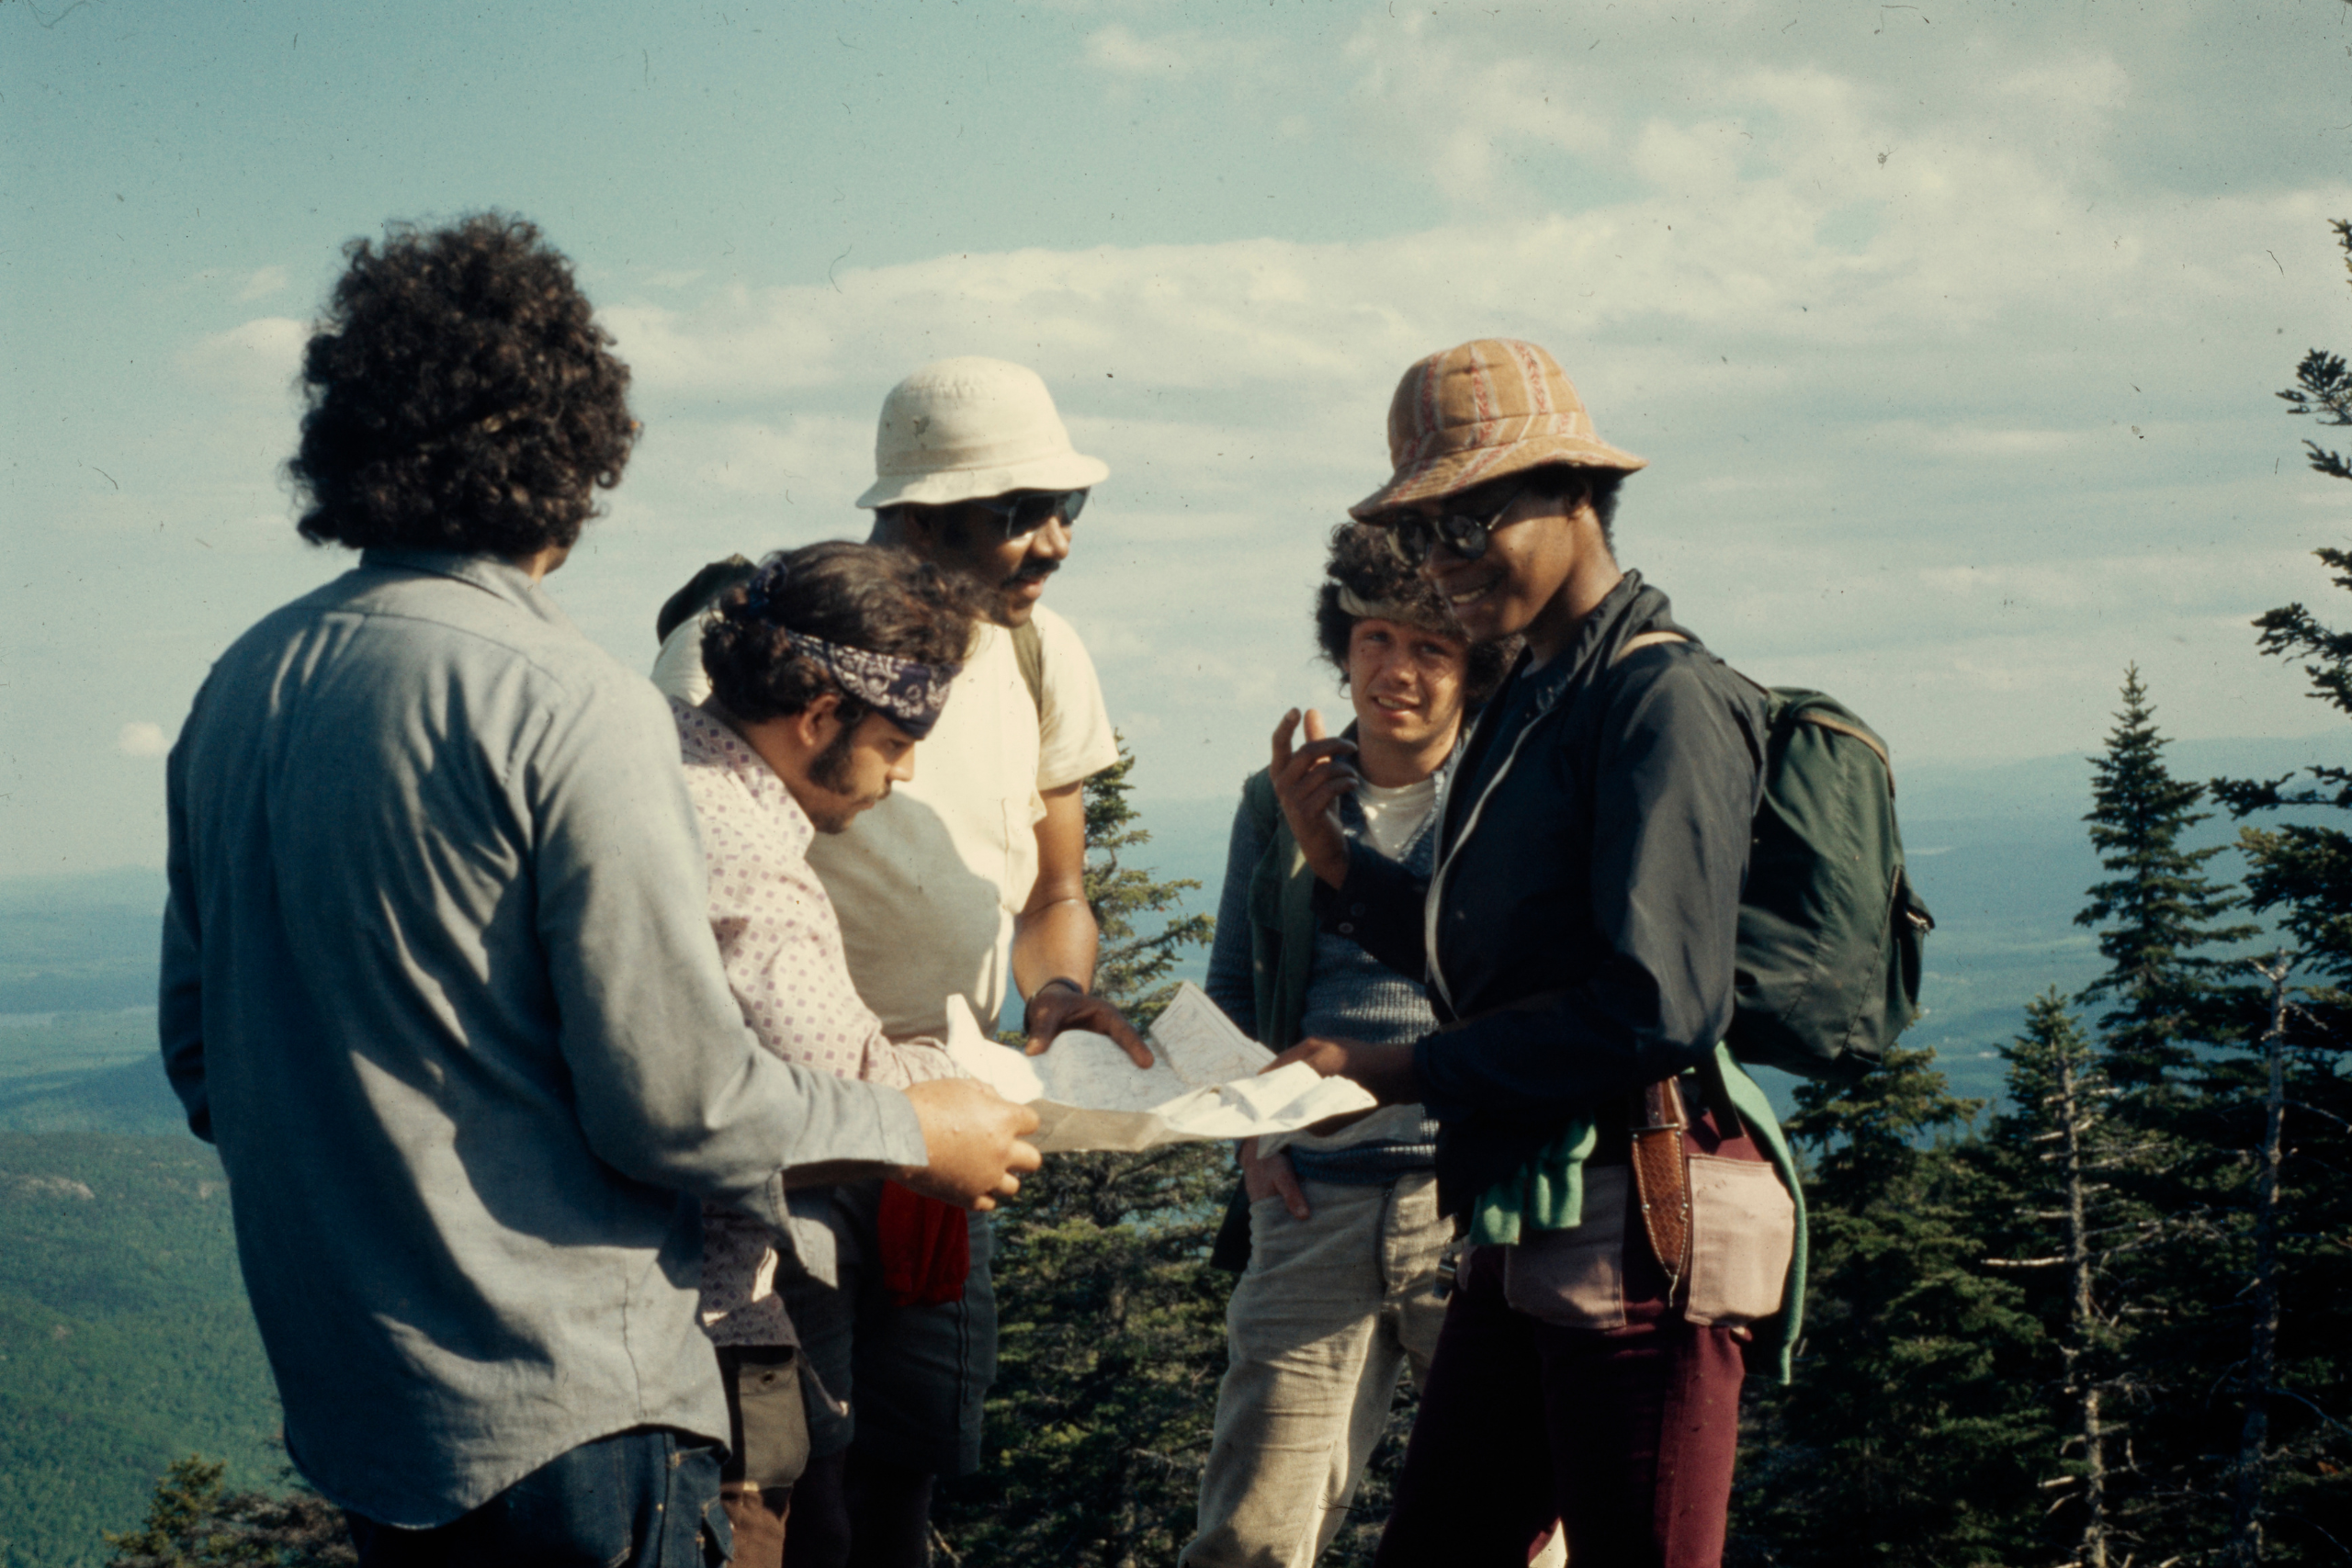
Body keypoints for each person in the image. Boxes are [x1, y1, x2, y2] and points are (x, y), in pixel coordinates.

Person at [158, 215, 1040, 1568]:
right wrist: (917, 1124)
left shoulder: (244, 684)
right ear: (575, 452)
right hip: (575, 1406)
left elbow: (207, 1060)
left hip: (361, 1399)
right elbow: (681, 1105)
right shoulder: (569, 702)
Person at [1269, 339, 1804, 1568]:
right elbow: (1509, 950)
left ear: (1576, 493)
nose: (1449, 563)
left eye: (1475, 523)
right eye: (1431, 532)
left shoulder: (1657, 695)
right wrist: (1346, 873)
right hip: (1540, 1209)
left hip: (1645, 1214)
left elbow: (1654, 1003)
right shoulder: (1543, 691)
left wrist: (1395, 1068)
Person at [650, 355, 1144, 1567]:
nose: (1054, 544)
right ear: (919, 515)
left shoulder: (1042, 656)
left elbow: (1056, 887)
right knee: (784, 1474)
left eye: (1068, 511)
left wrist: (1062, 996)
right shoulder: (773, 631)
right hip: (788, 1146)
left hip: (947, 1118)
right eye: (1020, 512)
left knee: (900, 1477)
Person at [1182, 525, 1512, 1568]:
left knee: (1519, 1524)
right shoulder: (1276, 799)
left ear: (1474, 667)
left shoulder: (1504, 795)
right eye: (1374, 638)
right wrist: (1255, 1143)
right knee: (1250, 1533)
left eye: (1431, 647)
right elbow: (1235, 989)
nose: (1396, 670)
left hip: (1467, 1198)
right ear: (1342, 646)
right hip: (1311, 1195)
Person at [674, 541, 989, 1565]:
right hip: (704, 1325)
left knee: (806, 1493)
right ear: (818, 718)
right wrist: (982, 1103)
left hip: (744, 1304)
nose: (902, 776)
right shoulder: (749, 857)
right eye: (897, 743)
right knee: (757, 1522)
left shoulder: (668, 762)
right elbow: (837, 1072)